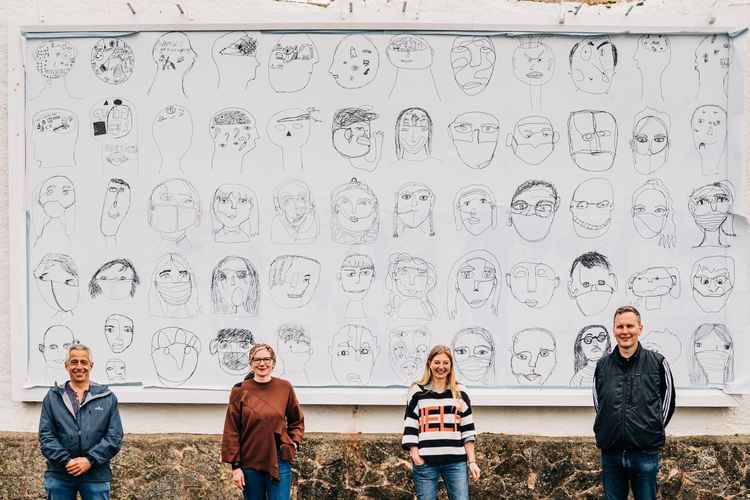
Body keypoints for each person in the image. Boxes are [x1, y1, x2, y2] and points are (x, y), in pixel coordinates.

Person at [593, 305, 676, 500]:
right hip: (611, 452)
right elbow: (600, 404)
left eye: (630, 326)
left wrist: (649, 429)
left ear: (640, 328)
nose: (625, 331)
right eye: (620, 326)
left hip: (644, 453)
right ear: (614, 330)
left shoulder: (657, 363)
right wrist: (610, 428)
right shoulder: (602, 366)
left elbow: (668, 402)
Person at [38, 344, 123, 499]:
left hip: (96, 474)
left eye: (83, 362)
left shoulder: (107, 397)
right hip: (60, 474)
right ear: (66, 366)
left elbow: (114, 437)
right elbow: (46, 436)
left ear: (91, 365)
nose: (79, 366)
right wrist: (66, 460)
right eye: (74, 362)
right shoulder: (52, 397)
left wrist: (89, 460)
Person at [222, 343, 304, 500]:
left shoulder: (284, 388)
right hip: (250, 461)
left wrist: (293, 443)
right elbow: (232, 430)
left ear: (273, 362)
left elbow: (296, 420)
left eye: (266, 359)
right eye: (257, 359)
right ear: (251, 363)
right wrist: (236, 467)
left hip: (279, 460)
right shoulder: (240, 391)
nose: (262, 363)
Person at [402, 345, 480, 500]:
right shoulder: (417, 391)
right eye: (437, 362)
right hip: (425, 463)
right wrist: (415, 456)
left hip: (455, 463)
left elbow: (467, 430)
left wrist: (472, 461)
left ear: (450, 366)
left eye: (445, 363)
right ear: (429, 364)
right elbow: (410, 426)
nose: (441, 367)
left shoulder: (460, 392)